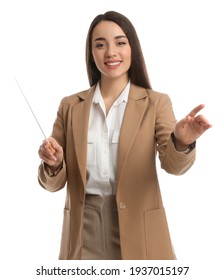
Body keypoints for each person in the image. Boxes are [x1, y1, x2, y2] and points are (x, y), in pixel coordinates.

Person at [38, 11, 212, 260]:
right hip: (82, 231)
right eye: (100, 44)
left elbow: (173, 167)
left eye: (120, 42)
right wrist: (52, 163)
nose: (110, 52)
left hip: (140, 231)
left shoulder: (155, 103)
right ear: (91, 53)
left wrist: (182, 141)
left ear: (133, 48)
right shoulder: (70, 106)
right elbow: (52, 183)